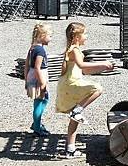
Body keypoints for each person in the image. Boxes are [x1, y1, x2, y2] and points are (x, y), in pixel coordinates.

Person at [56, 22, 114, 158]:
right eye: (85, 34)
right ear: (76, 37)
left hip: (69, 84)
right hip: (72, 83)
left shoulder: (75, 50)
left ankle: (70, 149)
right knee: (97, 89)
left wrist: (104, 68)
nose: (86, 36)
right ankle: (78, 110)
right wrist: (102, 63)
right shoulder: (74, 50)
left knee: (74, 120)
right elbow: (82, 65)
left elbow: (85, 70)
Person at [24, 23, 52, 136]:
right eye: (49, 36)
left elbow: (26, 65)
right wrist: (42, 84)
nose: (51, 38)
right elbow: (37, 67)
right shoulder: (40, 50)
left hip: (31, 77)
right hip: (38, 78)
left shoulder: (32, 48)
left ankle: (36, 123)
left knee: (41, 100)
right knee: (40, 101)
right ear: (42, 36)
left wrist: (26, 80)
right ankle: (37, 127)